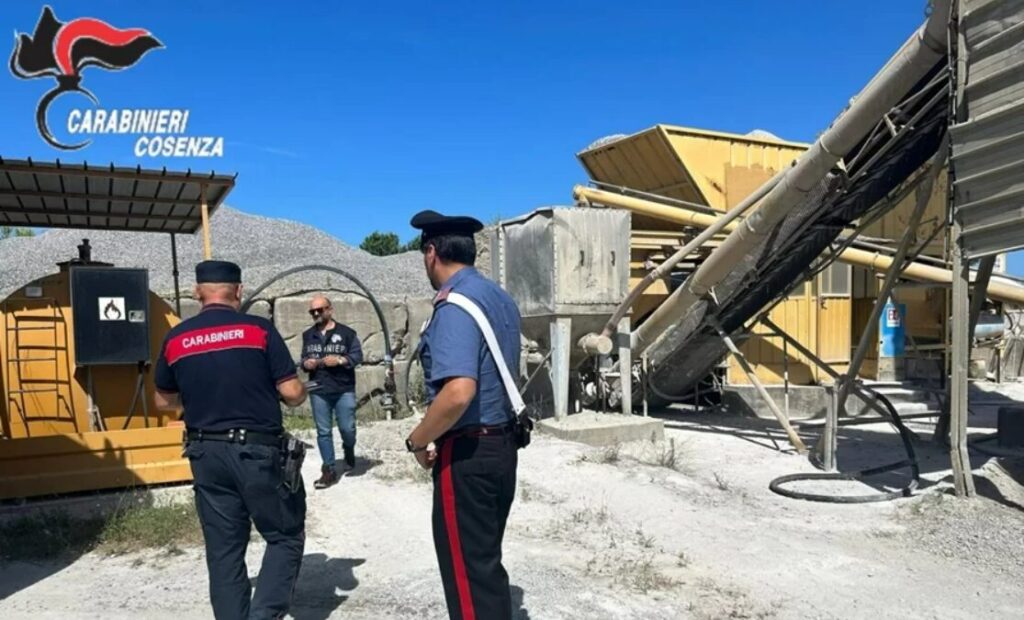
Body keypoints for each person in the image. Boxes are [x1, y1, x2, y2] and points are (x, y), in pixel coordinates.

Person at [154, 260, 308, 620]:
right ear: (238, 291)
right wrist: (295, 391)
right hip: (257, 452)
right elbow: (292, 392)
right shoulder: (259, 330)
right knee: (284, 534)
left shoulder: (177, 338)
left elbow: (162, 400)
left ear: (197, 291)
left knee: (223, 551)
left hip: (204, 452)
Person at [404, 209, 523, 620]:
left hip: (469, 452)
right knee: (484, 565)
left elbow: (458, 392)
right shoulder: (499, 299)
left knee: (468, 577)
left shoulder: (454, 304)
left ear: (431, 252)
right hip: (502, 445)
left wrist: (417, 440)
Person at [300, 294, 364, 489]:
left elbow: (357, 356)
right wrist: (306, 363)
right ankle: (328, 469)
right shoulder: (307, 335)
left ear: (330, 309)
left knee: (347, 428)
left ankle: (348, 448)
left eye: (320, 310)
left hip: (343, 388)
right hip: (319, 388)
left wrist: (340, 360)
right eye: (313, 312)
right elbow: (302, 359)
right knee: (323, 431)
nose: (316, 314)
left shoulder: (347, 333)